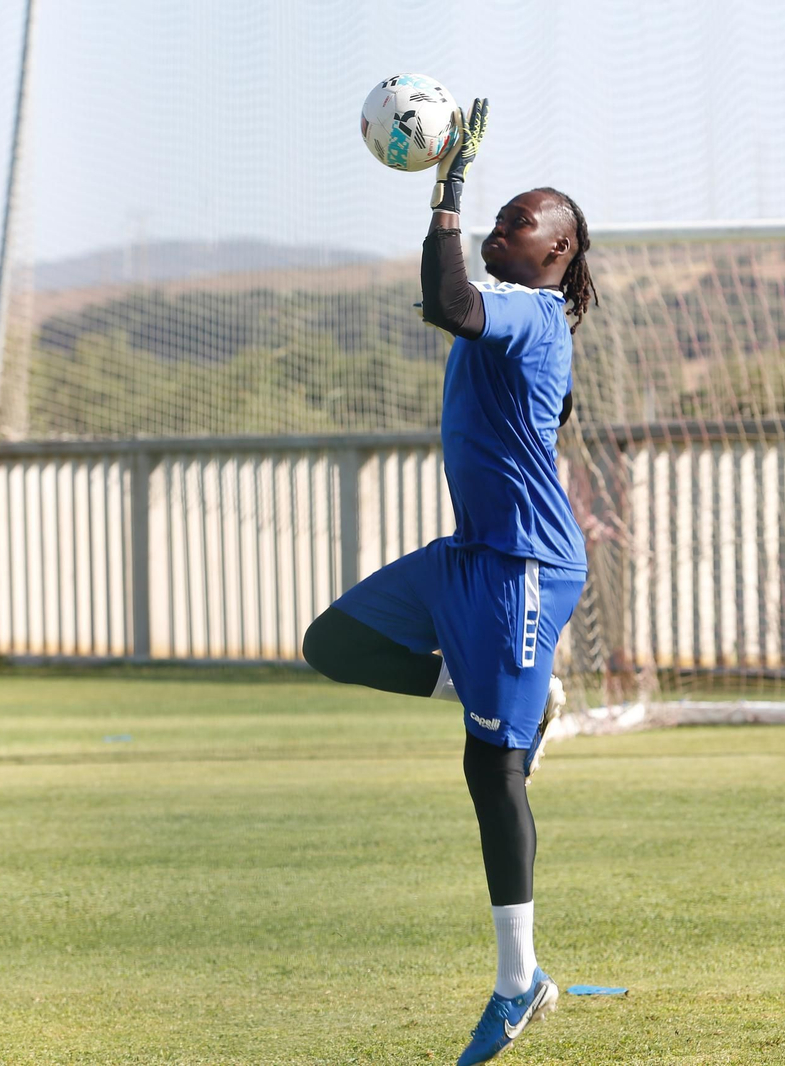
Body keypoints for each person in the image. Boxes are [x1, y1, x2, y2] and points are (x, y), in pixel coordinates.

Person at [302, 98, 598, 1065]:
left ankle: (520, 983)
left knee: (489, 769)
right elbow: (472, 326)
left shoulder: (526, 309)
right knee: (333, 643)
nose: (504, 231)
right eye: (500, 218)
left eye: (522, 223)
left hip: (521, 567)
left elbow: (450, 302)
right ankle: (508, 694)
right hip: (466, 555)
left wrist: (449, 193)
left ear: (555, 253)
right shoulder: (519, 322)